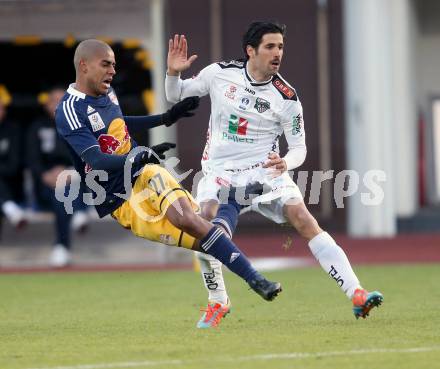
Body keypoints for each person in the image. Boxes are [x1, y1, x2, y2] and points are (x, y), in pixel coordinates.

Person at [165, 21, 383, 328]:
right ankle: (218, 302)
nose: (277, 52)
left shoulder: (287, 97)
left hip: (265, 173)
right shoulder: (219, 73)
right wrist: (173, 73)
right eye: (270, 46)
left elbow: (299, 148)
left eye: (280, 46)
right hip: (219, 171)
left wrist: (286, 163)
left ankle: (356, 294)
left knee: (305, 221)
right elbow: (175, 96)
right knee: (204, 228)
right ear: (250, 51)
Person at [55, 39, 282, 304]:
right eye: (106, 64)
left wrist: (165, 118)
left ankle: (256, 280)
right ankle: (233, 200)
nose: (112, 71)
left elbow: (117, 122)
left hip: (145, 174)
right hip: (119, 201)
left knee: (189, 220)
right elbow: (96, 158)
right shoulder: (69, 109)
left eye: (114, 65)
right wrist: (136, 156)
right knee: (203, 239)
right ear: (83, 66)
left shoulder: (107, 92)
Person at [27, 87, 89, 267]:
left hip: (78, 183)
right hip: (46, 185)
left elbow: (89, 158)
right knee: (60, 192)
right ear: (47, 105)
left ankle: (61, 246)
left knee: (65, 189)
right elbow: (31, 159)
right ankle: (78, 213)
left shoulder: (79, 127)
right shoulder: (37, 128)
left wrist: (69, 173)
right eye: (54, 100)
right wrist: (44, 175)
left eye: (63, 101)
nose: (58, 105)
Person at [0, 89, 26, 229]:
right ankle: (9, 206)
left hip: (10, 184)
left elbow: (13, 166)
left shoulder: (13, 130)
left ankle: (9, 205)